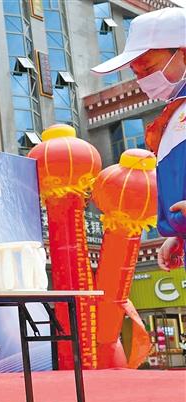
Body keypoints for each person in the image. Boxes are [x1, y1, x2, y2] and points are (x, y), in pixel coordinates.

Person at [91, 7, 186, 272]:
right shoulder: (173, 114)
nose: (143, 80)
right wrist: (178, 234)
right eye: (136, 73)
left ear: (183, 53)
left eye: (148, 68)